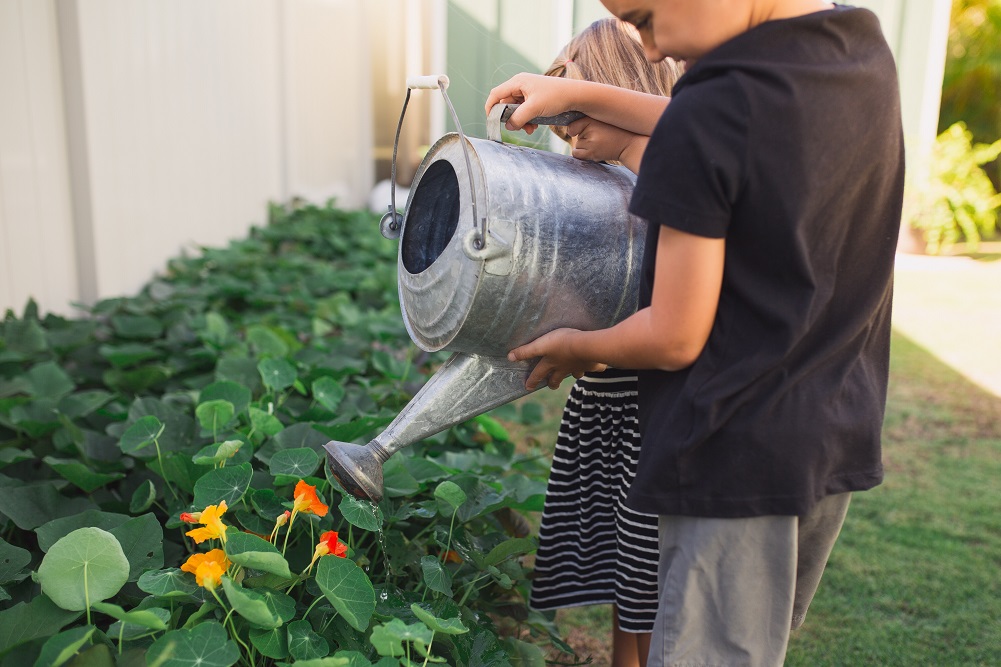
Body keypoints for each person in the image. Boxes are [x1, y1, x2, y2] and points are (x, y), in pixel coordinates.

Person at [486, 2, 904, 666]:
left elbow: (674, 335)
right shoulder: (858, 50)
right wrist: (577, 92)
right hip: (827, 434)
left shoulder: (713, 104)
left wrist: (574, 347)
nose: (650, 52)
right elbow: (718, 124)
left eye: (644, 18)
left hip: (733, 451)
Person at [526, 18, 684, 667]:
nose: (572, 141)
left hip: (649, 401)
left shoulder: (669, 180)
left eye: (577, 122)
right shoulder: (592, 186)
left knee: (651, 573)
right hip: (608, 400)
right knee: (628, 575)